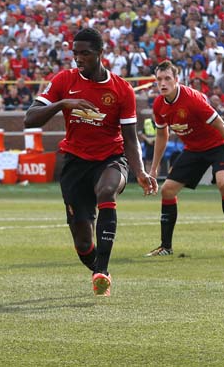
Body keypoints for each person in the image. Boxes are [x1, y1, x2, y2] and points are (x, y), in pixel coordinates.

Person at [24, 28, 158, 297]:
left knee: (107, 191)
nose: (78, 59)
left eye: (85, 53)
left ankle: (101, 271)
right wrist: (64, 103)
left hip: (111, 158)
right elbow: (30, 118)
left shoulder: (122, 90)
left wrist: (140, 171)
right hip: (74, 163)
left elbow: (130, 140)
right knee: (83, 242)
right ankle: (100, 270)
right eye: (75, 53)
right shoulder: (64, 80)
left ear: (100, 53)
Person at [145, 60, 224, 258]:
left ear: (177, 80)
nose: (163, 83)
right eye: (159, 79)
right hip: (193, 150)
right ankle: (165, 247)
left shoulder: (192, 99)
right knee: (167, 191)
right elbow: (161, 135)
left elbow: (221, 126)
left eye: (167, 79)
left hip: (218, 146)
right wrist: (154, 168)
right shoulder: (159, 105)